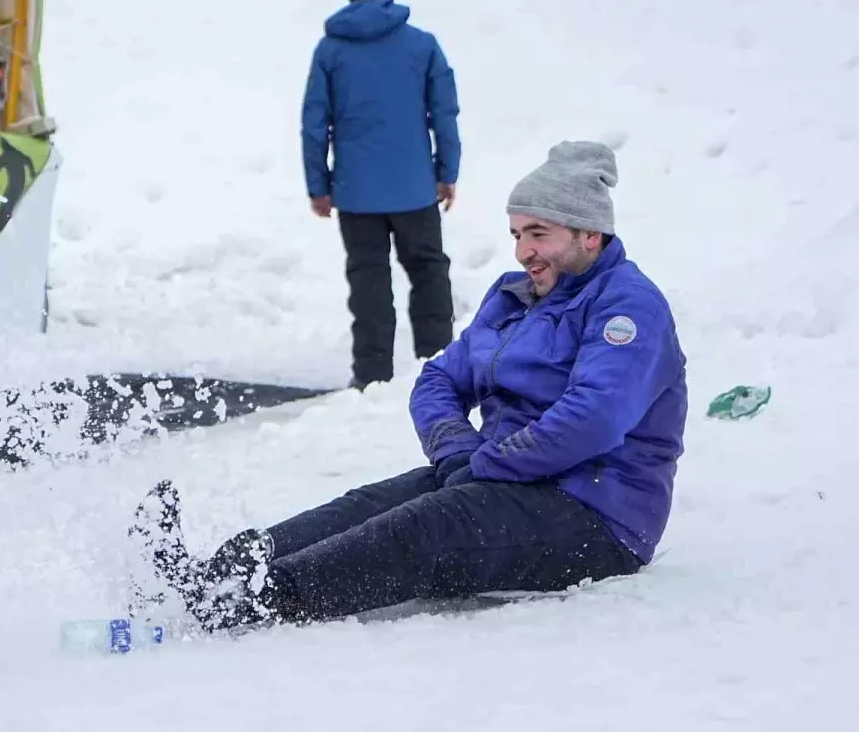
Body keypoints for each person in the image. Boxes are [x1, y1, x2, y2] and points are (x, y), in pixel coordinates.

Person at [131, 141, 689, 633]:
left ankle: (254, 601)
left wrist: (490, 464)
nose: (523, 251)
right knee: (367, 505)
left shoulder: (627, 305)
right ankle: (220, 573)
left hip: (596, 514)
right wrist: (456, 450)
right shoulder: (516, 297)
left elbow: (594, 416)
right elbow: (440, 378)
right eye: (518, 234)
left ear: (590, 233)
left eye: (538, 234)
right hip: (506, 479)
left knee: (423, 529)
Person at [300, 0, 461, 390]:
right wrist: (447, 172)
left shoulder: (330, 51)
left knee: (369, 279)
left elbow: (315, 121)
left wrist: (318, 185)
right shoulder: (422, 45)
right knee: (428, 272)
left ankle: (371, 377)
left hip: (355, 194)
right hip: (414, 188)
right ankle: (439, 367)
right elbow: (443, 114)